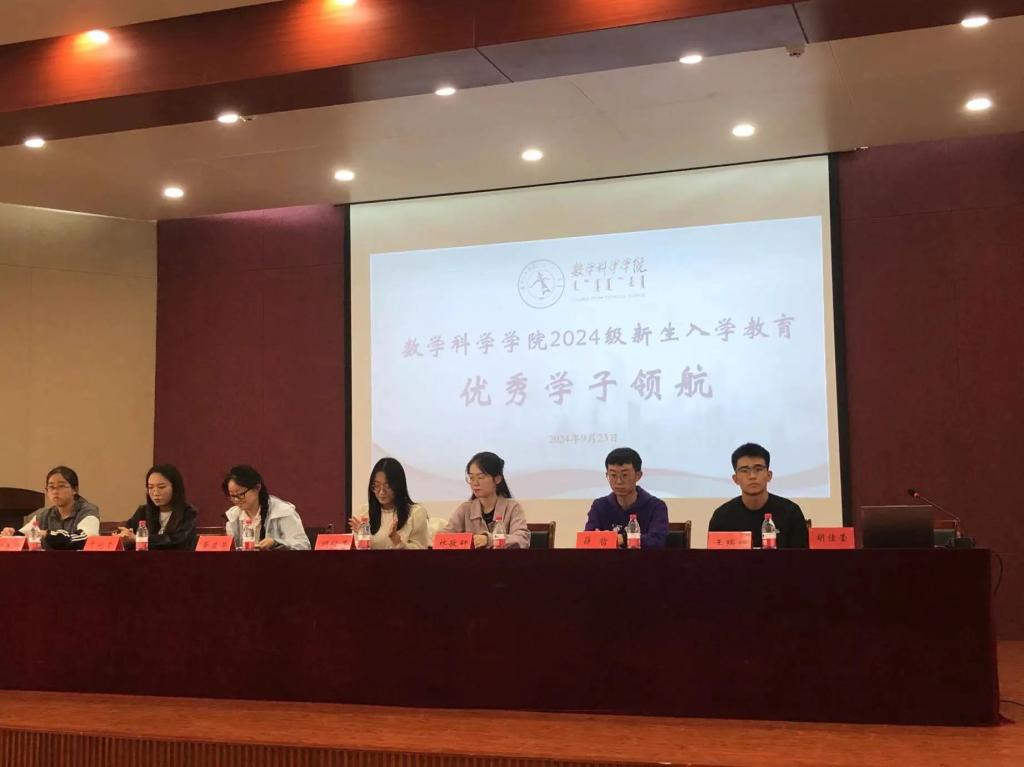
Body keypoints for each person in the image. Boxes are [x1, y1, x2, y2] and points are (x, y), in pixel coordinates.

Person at [708, 443, 808, 548]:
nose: (752, 476)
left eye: (758, 469)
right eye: (744, 470)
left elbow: (801, 556)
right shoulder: (722, 516)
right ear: (735, 479)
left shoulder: (790, 512)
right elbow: (714, 557)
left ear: (769, 475)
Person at [584, 447, 668, 548]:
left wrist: (623, 539)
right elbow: (587, 539)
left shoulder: (656, 506)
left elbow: (657, 541)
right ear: (607, 475)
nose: (619, 481)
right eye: (613, 475)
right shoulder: (599, 506)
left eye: (624, 475)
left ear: (638, 475)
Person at [1, 466, 99, 549]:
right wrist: (11, 535)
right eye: (51, 487)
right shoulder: (44, 515)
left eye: (61, 486)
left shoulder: (88, 511)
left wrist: (47, 534)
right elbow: (24, 535)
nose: (55, 491)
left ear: (75, 490)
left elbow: (85, 539)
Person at [445, 451, 529, 549]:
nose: (474, 483)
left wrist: (490, 540)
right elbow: (444, 538)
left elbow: (522, 540)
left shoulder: (512, 508)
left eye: (480, 477)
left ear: (497, 479)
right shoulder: (465, 509)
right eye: (471, 478)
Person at [222, 465, 310, 550]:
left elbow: (303, 546)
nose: (236, 500)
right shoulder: (233, 516)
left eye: (241, 494)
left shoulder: (282, 511)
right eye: (232, 496)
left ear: (257, 487)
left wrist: (276, 543)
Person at [349, 457, 429, 549]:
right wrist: (363, 539)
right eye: (377, 485)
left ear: (398, 485)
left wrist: (397, 541)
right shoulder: (364, 512)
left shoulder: (416, 513)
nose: (381, 492)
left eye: (387, 486)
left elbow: (421, 552)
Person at [115, 464, 198, 550]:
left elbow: (178, 541)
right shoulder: (143, 511)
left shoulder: (188, 513)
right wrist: (124, 535)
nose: (155, 493)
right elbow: (126, 531)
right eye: (150, 487)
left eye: (161, 487)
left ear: (175, 487)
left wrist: (139, 539)